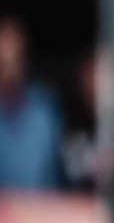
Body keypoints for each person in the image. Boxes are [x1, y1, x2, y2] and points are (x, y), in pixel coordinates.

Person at [0, 14, 65, 190]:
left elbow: (56, 167)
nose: (8, 66)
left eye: (14, 58)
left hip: (41, 211)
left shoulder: (45, 105)